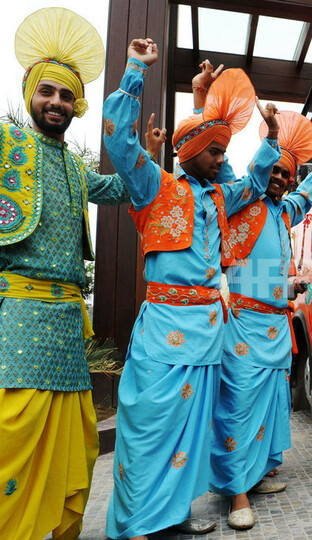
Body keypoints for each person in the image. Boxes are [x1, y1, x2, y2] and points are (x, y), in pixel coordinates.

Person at [101, 38, 281, 539]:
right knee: (153, 427)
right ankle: (139, 525)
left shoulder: (220, 197)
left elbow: (258, 178)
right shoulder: (155, 188)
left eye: (225, 150)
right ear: (193, 153)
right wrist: (136, 69)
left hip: (207, 332)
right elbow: (119, 142)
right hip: (166, 331)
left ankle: (172, 515)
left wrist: (269, 137)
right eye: (216, 151)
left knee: (189, 428)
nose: (224, 159)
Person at [0, 8, 131, 539]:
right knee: (14, 435)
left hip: (68, 329)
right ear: (30, 93)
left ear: (78, 104)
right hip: (21, 317)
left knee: (75, 443)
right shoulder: (7, 148)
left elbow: (124, 188)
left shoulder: (78, 170)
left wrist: (146, 136)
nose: (56, 102)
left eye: (66, 96)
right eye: (46, 91)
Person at [210, 112, 312, 529]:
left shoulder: (285, 212)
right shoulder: (243, 199)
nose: (279, 178)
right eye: (275, 170)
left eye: (287, 173)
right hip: (243, 325)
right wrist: (276, 137)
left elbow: (310, 192)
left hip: (277, 327)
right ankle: (235, 493)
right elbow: (252, 169)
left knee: (269, 405)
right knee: (238, 406)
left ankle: (258, 473)